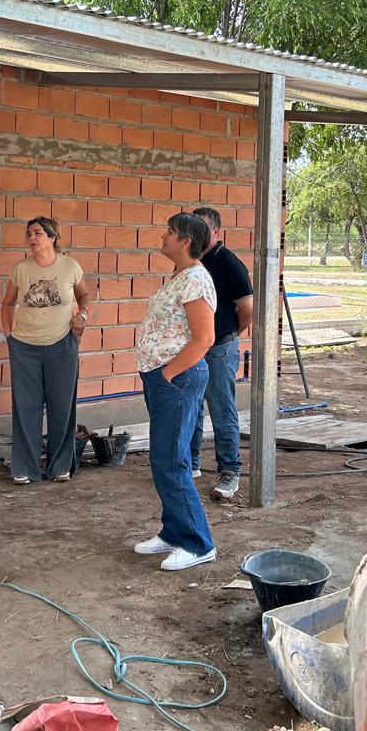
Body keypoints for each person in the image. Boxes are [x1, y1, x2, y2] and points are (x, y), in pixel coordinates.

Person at [133, 213, 218, 571]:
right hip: (164, 379)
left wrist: (168, 373)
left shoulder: (195, 280)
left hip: (177, 380)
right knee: (166, 458)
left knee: (170, 460)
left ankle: (198, 544)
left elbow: (205, 339)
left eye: (169, 233)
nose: (162, 237)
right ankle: (173, 531)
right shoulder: (181, 277)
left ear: (186, 241)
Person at [0, 217, 93, 485]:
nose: (32, 238)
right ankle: (24, 469)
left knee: (61, 406)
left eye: (38, 233)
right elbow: (7, 303)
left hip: (62, 345)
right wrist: (9, 335)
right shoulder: (21, 269)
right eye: (29, 234)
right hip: (25, 347)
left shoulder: (70, 266)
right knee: (25, 407)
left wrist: (82, 315)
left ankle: (59, 466)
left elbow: (85, 295)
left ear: (52, 237)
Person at [188, 207, 253, 500]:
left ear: (216, 233)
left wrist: (225, 336)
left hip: (218, 348)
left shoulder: (229, 264)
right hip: (190, 347)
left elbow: (247, 310)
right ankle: (190, 464)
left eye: (201, 228)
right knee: (190, 406)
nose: (195, 234)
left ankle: (229, 471)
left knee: (221, 409)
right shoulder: (189, 261)